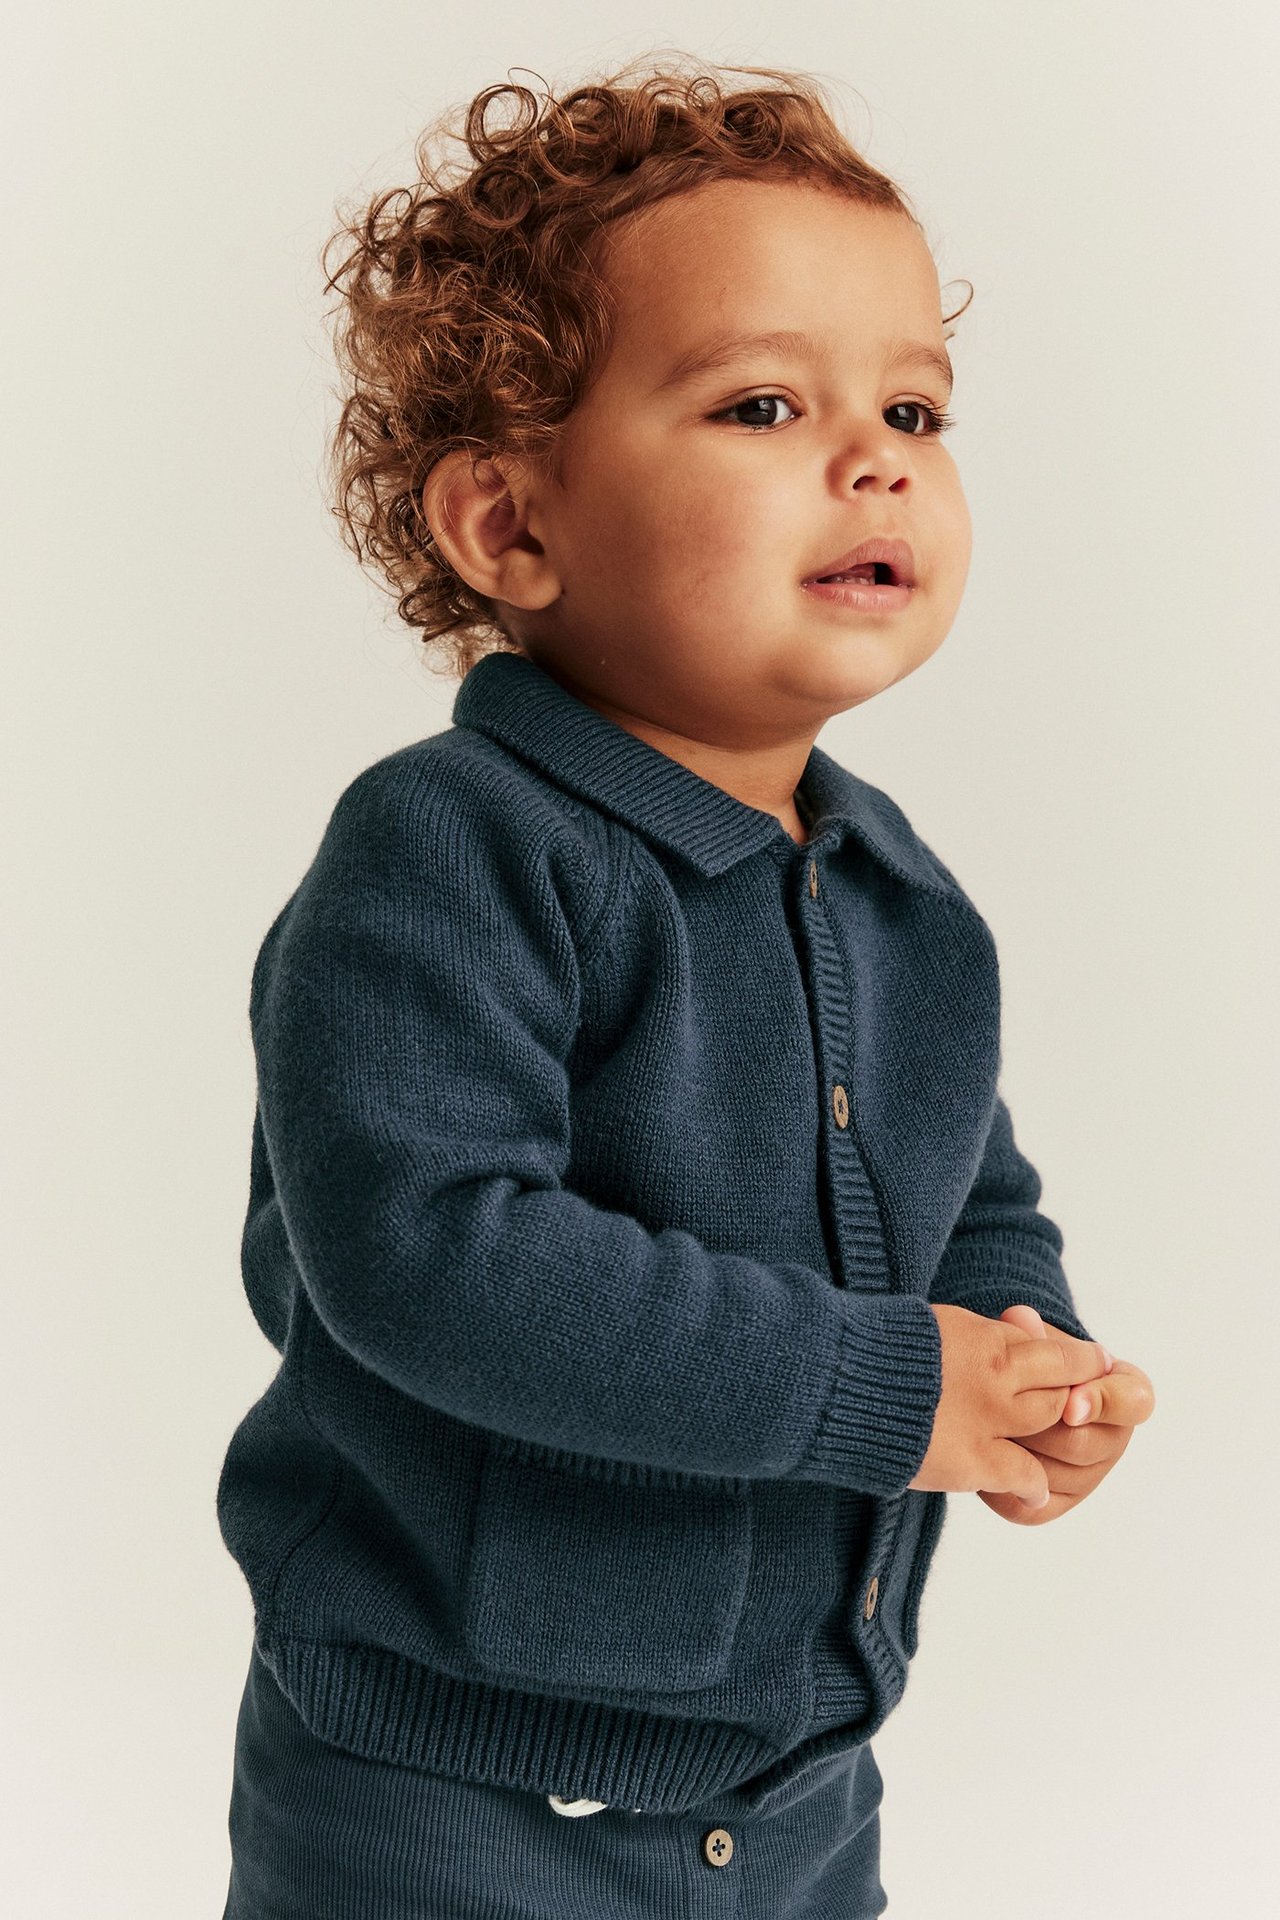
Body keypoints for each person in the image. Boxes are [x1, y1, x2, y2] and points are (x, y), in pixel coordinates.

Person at [217, 53, 1155, 1918]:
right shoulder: (456, 849)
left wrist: (1019, 1353)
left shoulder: (898, 896)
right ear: (513, 528)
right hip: (457, 1789)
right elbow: (434, 1252)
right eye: (760, 403)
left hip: (800, 1773)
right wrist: (897, 1390)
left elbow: (967, 1192)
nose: (876, 454)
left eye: (911, 404)